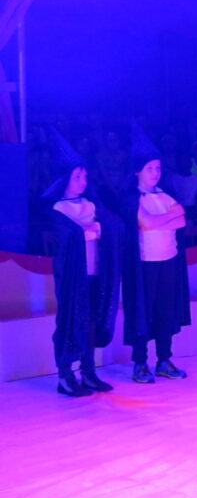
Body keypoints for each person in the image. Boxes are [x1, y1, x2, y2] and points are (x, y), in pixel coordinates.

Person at [47, 129, 123, 396]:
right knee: (70, 321)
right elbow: (69, 237)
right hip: (72, 278)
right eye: (77, 177)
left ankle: (88, 372)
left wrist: (93, 230)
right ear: (65, 179)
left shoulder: (90, 204)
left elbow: (113, 226)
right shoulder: (59, 208)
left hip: (94, 273)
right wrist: (91, 231)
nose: (82, 181)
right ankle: (65, 375)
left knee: (91, 322)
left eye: (85, 176)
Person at [121, 124, 190, 384]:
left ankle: (164, 360)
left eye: (158, 168)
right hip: (145, 263)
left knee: (166, 310)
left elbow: (182, 219)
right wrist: (166, 218)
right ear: (137, 171)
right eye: (150, 168)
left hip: (169, 260)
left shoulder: (164, 194)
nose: (155, 173)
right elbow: (146, 223)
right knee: (143, 311)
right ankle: (140, 362)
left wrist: (158, 221)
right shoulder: (131, 196)